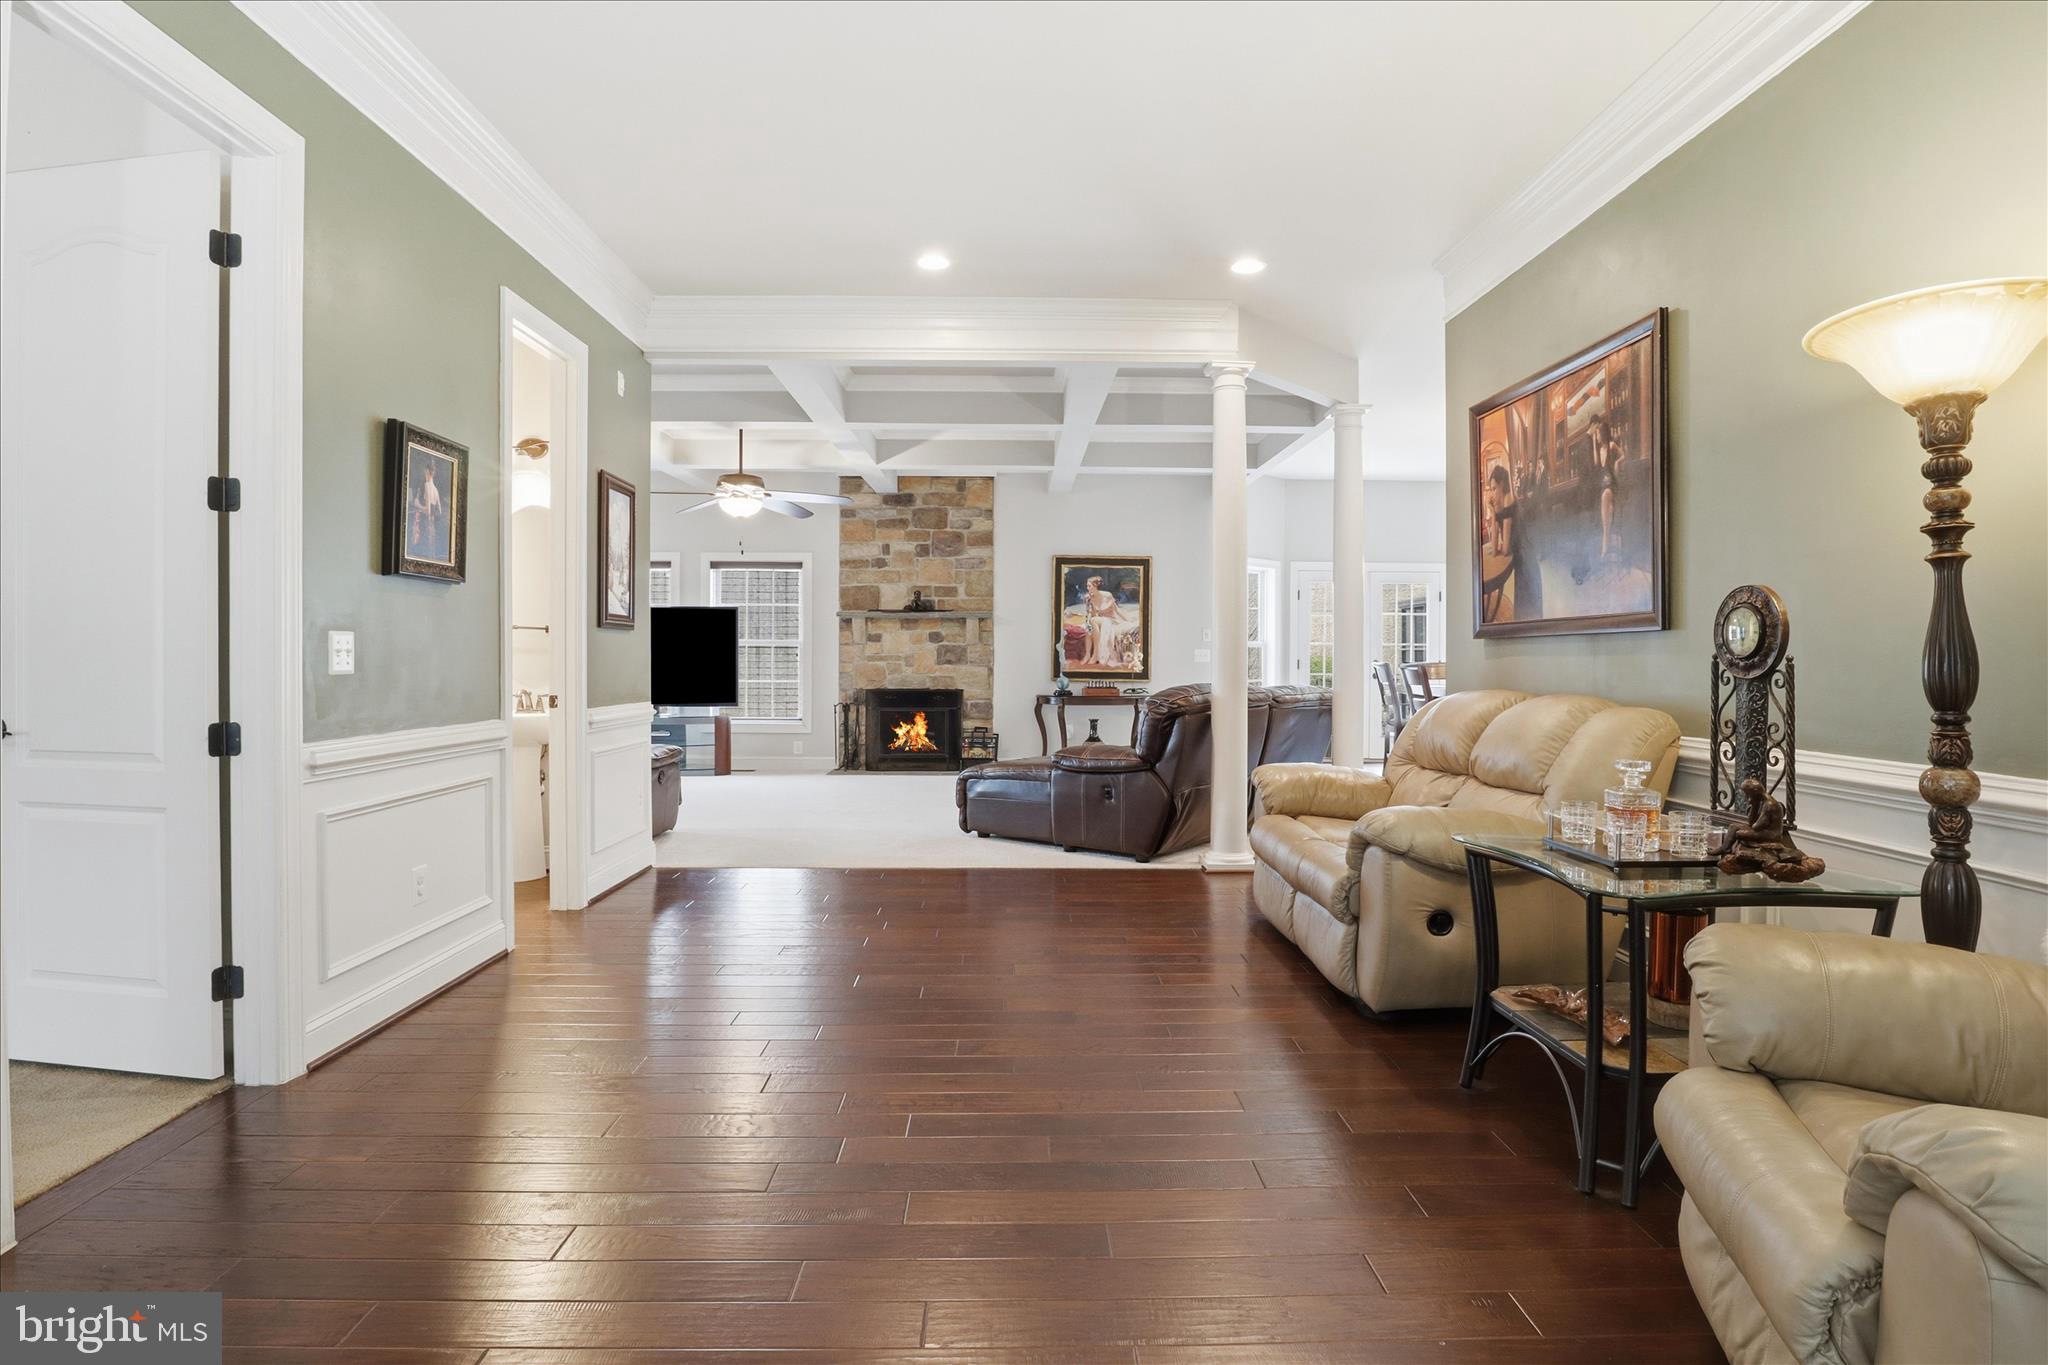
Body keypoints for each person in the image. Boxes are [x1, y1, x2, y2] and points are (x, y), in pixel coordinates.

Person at [1484, 463, 1541, 620]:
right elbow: (1495, 549)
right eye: (1491, 489)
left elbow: (1506, 549)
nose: (1493, 493)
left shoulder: (1509, 500)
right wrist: (1492, 512)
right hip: (1519, 557)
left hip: (1526, 557)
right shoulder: (1499, 505)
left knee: (1528, 610)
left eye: (1494, 488)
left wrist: (1502, 546)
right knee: (1523, 610)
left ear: (1502, 484)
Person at [1079, 574, 1135, 668]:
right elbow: (1092, 615)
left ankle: (1095, 654)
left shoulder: (1107, 595)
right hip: (1099, 621)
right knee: (1089, 626)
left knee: (1093, 621)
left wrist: (1128, 620)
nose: (1087, 588)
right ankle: (1087, 654)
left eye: (1089, 586)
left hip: (1111, 621)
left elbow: (1117, 610)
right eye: (1087, 586)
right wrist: (1088, 603)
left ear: (1096, 586)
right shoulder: (1089, 598)